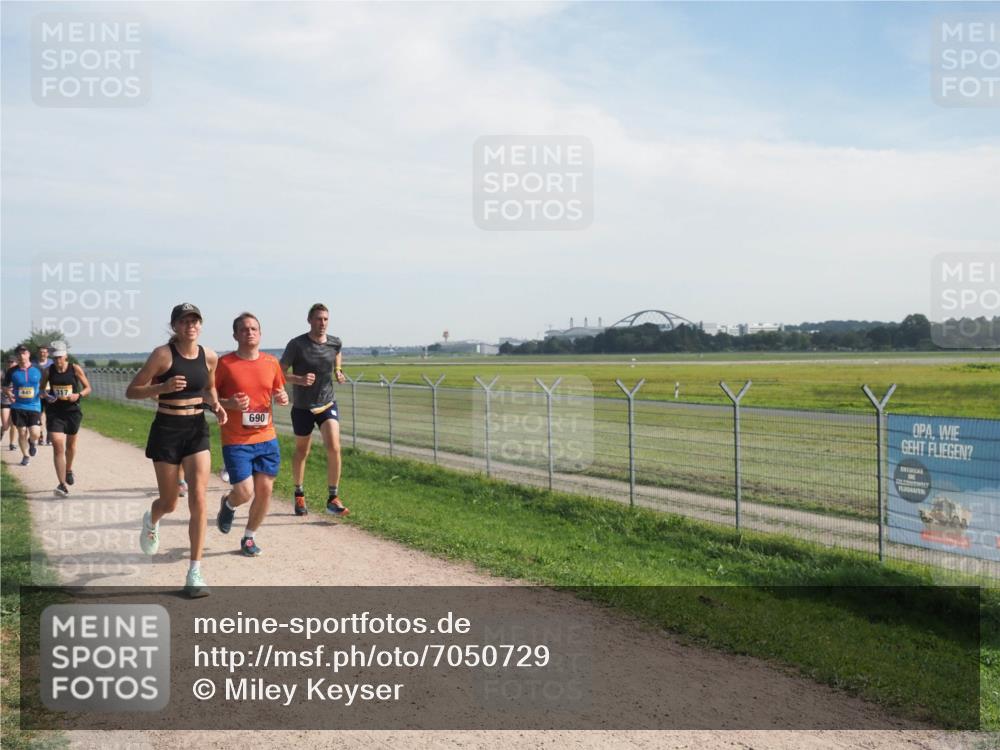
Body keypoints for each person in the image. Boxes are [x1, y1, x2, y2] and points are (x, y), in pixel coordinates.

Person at [126, 303, 226, 598]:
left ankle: (195, 572)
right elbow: (132, 391)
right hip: (167, 432)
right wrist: (162, 387)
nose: (190, 325)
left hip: (196, 430)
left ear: (201, 324)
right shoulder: (162, 355)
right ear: (174, 326)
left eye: (195, 320)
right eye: (184, 321)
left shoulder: (209, 356)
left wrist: (216, 405)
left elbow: (209, 388)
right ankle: (152, 519)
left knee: (198, 496)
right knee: (170, 502)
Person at [214, 313, 289, 556]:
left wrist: (282, 397)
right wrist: (230, 404)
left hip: (266, 437)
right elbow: (209, 399)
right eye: (244, 329)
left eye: (254, 328)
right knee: (244, 492)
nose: (250, 332)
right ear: (235, 335)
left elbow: (278, 391)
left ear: (260, 333)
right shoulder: (224, 365)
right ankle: (229, 503)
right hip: (236, 439)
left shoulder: (271, 363)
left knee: (265, 490)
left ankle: (249, 537)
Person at [279, 303, 349, 517]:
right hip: (302, 407)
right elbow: (279, 373)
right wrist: (298, 379)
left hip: (327, 403)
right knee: (302, 451)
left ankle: (332, 498)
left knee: (334, 447)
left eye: (326, 319)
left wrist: (338, 370)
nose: (322, 323)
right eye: (318, 319)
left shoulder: (334, 342)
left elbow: (337, 353)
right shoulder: (297, 344)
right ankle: (299, 494)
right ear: (309, 320)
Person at [40, 341, 91, 496]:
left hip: (72, 412)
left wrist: (78, 395)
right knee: (57, 445)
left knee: (71, 445)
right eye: (55, 358)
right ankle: (62, 485)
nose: (58, 361)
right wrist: (47, 396)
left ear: (66, 356)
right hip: (55, 412)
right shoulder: (48, 371)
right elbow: (42, 390)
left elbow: (88, 388)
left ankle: (68, 469)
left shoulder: (75, 368)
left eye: (60, 357)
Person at [2, 345, 43, 466]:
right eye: (19, 354)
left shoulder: (38, 369)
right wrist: (8, 393)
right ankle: (25, 456)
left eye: (24, 353)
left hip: (34, 405)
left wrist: (44, 392)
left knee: (35, 432)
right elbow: (5, 386)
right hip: (17, 406)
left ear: (29, 354)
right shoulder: (12, 371)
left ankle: (32, 442)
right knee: (21, 432)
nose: (21, 356)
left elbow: (45, 383)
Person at [34, 345, 53, 445]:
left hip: (49, 392)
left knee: (50, 415)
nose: (43, 354)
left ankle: (49, 437)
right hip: (37, 393)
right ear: (38, 353)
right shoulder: (33, 364)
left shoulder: (52, 363)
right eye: (41, 352)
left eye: (45, 352)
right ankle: (40, 436)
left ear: (48, 353)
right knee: (39, 415)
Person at [1, 356, 14, 450]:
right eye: (9, 362)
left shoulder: (18, 373)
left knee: (14, 424)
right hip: (5, 400)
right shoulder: (2, 373)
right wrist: (3, 389)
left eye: (12, 362)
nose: (10, 363)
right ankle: (1, 431)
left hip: (16, 401)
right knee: (6, 426)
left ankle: (11, 443)